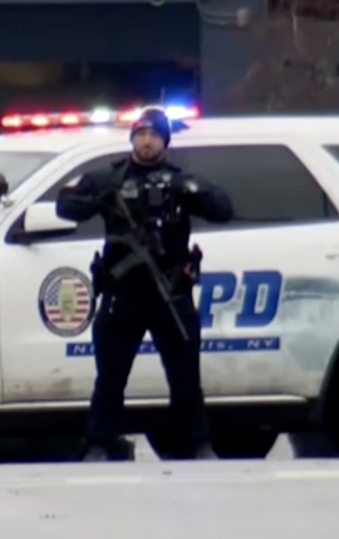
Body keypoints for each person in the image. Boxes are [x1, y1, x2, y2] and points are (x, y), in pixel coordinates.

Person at [56, 108, 234, 462]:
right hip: (124, 292)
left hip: (169, 289)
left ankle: (197, 443)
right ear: (132, 137)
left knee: (185, 376)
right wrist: (96, 200)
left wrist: (191, 190)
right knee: (110, 376)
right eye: (141, 134)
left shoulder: (179, 180)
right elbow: (65, 206)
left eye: (154, 135)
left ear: (165, 141)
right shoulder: (110, 178)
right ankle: (99, 442)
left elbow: (223, 209)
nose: (147, 141)